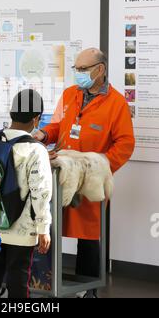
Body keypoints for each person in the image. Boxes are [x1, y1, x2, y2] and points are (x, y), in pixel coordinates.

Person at [34, 48, 135, 298]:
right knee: (49, 226)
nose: (78, 74)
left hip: (90, 181)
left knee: (88, 236)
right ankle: (45, 282)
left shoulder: (117, 102)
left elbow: (125, 143)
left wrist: (100, 168)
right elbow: (59, 124)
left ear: (99, 69)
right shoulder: (70, 94)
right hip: (61, 174)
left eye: (82, 69)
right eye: (76, 69)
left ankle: (88, 289)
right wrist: (44, 134)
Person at [0, 89, 52, 298]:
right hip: (20, 232)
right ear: (37, 118)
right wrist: (43, 228)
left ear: (11, 114)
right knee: (18, 281)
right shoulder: (36, 150)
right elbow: (41, 193)